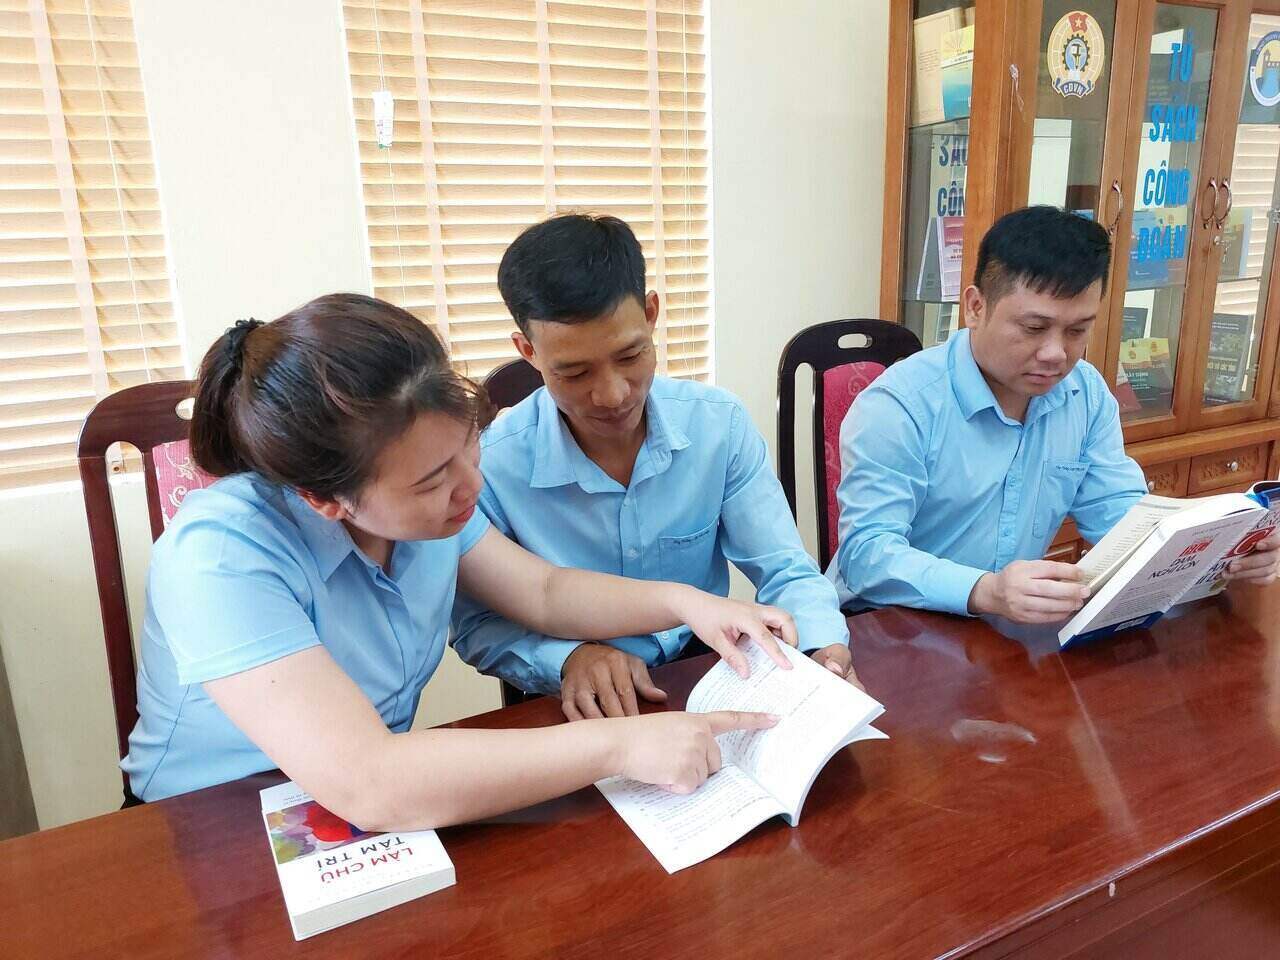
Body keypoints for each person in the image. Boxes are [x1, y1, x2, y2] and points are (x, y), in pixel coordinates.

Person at [123, 293, 799, 826]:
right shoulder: (220, 556)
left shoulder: (436, 512)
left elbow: (544, 593)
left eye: (467, 447)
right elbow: (371, 780)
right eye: (430, 480)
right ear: (326, 500)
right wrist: (621, 747)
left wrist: (689, 603)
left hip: (389, 812)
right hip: (215, 825)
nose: (471, 487)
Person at [451, 214, 857, 722]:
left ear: (650, 315)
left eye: (630, 355)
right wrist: (565, 658)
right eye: (574, 373)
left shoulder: (717, 426)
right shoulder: (491, 464)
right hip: (580, 705)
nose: (613, 394)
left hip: (706, 675)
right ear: (528, 351)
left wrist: (824, 647)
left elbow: (783, 567)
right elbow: (475, 625)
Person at [828, 205, 1280, 624]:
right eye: (1034, 328)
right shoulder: (900, 407)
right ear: (975, 306)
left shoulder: (1085, 394)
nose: (1055, 354)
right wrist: (985, 591)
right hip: (890, 627)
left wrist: (1224, 549)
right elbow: (867, 555)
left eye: (1077, 330)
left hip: (1006, 631)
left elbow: (1121, 516)